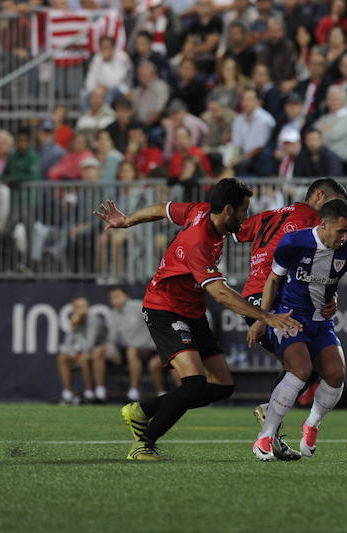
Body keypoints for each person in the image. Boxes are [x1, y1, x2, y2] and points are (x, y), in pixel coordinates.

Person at [93, 178, 302, 460]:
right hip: (164, 309)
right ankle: (143, 443)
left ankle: (142, 411)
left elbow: (162, 209)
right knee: (193, 383)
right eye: (243, 211)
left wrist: (128, 220)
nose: (245, 217)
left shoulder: (201, 210)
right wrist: (266, 316)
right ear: (228, 210)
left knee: (223, 386)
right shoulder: (198, 242)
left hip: (191, 310)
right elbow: (220, 293)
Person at [247, 199, 347, 460]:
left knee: (336, 374)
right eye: (341, 231)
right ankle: (264, 438)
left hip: (321, 321)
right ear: (324, 224)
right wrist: (262, 318)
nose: (345, 237)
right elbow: (272, 280)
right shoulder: (294, 243)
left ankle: (311, 425)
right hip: (289, 317)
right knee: (301, 370)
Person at [234, 178, 347, 457]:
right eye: (332, 204)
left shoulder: (271, 214)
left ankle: (270, 431)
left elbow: (235, 232)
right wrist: (265, 316)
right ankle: (268, 424)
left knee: (302, 367)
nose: (333, 213)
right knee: (305, 367)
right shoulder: (312, 221)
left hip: (253, 297)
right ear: (319, 196)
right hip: (277, 302)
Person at [94, 287, 166, 403]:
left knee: (132, 351)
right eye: (111, 298)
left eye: (117, 297)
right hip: (128, 351)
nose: (114, 301)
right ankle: (99, 392)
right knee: (99, 351)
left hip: (150, 349)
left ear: (126, 296)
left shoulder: (139, 307)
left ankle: (133, 392)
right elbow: (112, 339)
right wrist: (109, 348)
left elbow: (158, 323)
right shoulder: (113, 314)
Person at [57, 295, 99, 405]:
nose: (79, 310)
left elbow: (90, 345)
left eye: (81, 307)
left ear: (87, 308)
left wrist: (76, 352)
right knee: (62, 357)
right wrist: (73, 326)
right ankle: (67, 395)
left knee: (83, 358)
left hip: (96, 353)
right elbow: (67, 344)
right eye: (76, 307)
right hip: (79, 353)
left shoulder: (94, 321)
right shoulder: (74, 321)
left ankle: (89, 393)